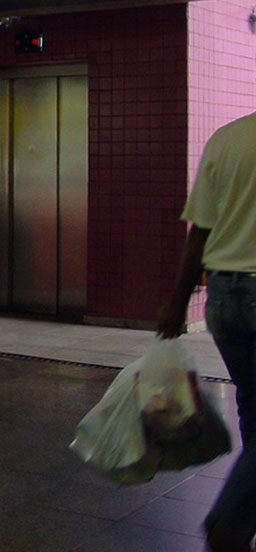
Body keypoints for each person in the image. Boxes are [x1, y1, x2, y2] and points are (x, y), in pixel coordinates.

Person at [157, 110, 256, 552]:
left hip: (224, 298)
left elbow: (200, 232)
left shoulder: (227, 139)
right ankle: (229, 524)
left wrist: (177, 304)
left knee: (254, 411)